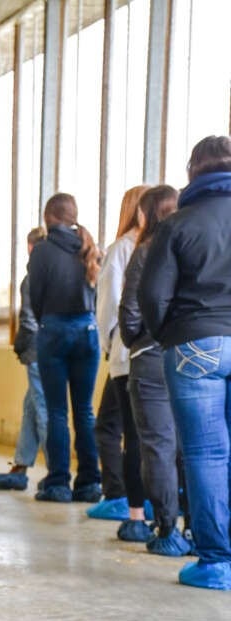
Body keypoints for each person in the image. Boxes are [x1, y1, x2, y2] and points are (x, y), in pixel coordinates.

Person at [140, 135, 231, 589]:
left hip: (196, 344)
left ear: (193, 171)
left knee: (206, 454)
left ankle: (216, 562)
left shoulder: (178, 225)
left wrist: (168, 337)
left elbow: (152, 296)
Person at [118, 184, 192, 557]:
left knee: (157, 447)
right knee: (192, 447)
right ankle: (197, 530)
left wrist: (138, 340)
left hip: (150, 355)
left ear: (145, 215)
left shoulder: (145, 251)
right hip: (191, 353)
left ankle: (167, 530)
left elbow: (130, 311)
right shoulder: (192, 246)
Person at [28, 193, 102, 503]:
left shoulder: (42, 252)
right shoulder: (90, 247)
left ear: (48, 217)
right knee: (84, 410)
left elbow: (34, 299)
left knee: (57, 410)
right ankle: (89, 482)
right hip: (87, 330)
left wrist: (51, 320)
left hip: (54, 329)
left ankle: (58, 482)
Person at [88, 186, 151, 540]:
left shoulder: (122, 249)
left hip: (127, 355)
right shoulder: (164, 246)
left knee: (120, 430)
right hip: (156, 352)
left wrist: (112, 344)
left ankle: (124, 500)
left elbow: (109, 307)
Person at [0, 227, 47, 491]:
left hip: (38, 349)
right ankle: (20, 467)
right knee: (31, 406)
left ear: (31, 248)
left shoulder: (35, 276)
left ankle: (58, 472)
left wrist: (27, 346)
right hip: (46, 346)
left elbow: (32, 320)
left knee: (43, 407)